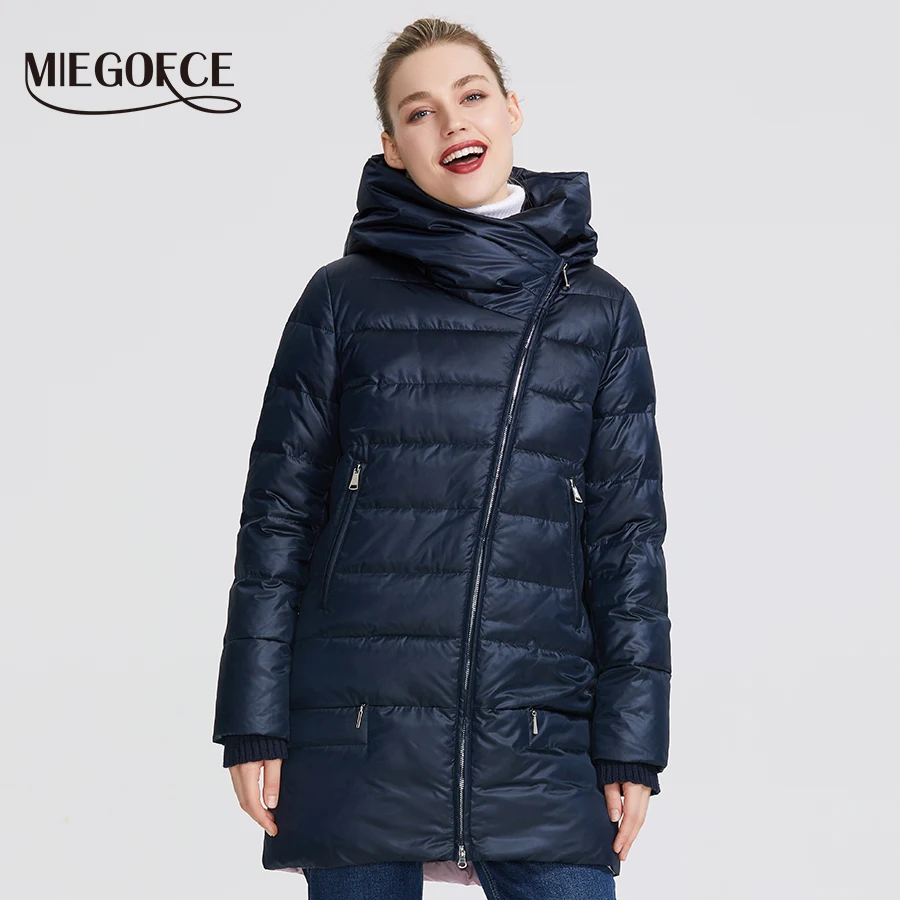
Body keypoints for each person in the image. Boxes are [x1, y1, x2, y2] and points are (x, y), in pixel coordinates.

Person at [212, 16, 671, 900]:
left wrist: (631, 744)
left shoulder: (598, 311)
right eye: (418, 112)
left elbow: (628, 541)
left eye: (471, 96)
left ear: (511, 111)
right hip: (355, 730)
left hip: (540, 733)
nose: (452, 122)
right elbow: (277, 519)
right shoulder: (341, 299)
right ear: (392, 147)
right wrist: (253, 722)